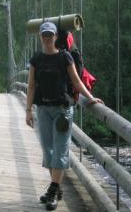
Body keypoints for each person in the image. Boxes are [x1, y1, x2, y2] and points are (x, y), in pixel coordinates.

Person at [26, 21, 103, 211]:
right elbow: (31, 85)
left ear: (55, 37)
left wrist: (91, 98)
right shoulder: (36, 58)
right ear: (40, 37)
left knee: (60, 150)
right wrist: (28, 110)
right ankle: (57, 187)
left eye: (50, 35)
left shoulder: (65, 57)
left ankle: (53, 191)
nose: (47, 38)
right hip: (43, 109)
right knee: (48, 151)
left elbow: (76, 81)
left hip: (63, 110)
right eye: (44, 34)